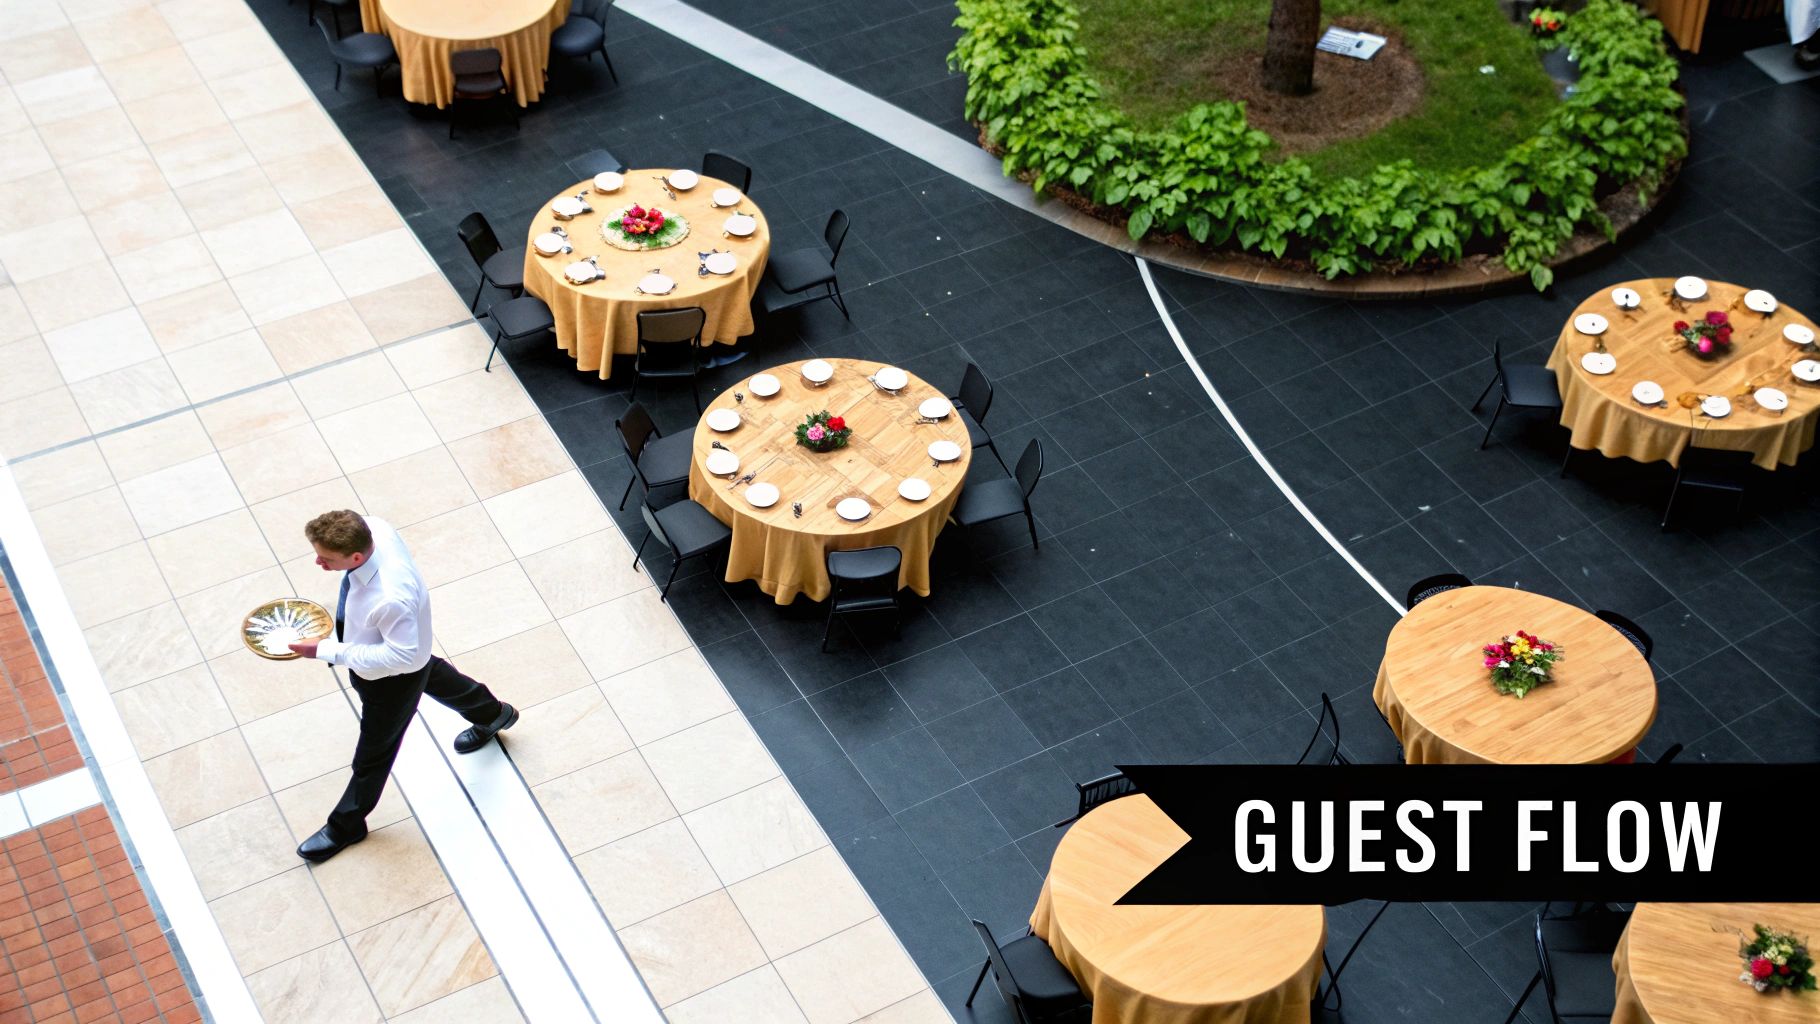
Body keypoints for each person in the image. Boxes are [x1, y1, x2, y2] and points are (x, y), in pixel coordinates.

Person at [288, 510, 518, 863]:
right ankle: (493, 713)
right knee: (433, 672)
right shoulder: (373, 527)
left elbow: (405, 660)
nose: (317, 561)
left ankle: (347, 824)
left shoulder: (388, 598)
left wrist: (326, 649)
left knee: (374, 753)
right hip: (408, 645)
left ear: (356, 557)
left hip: (393, 678)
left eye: (326, 558)